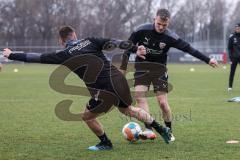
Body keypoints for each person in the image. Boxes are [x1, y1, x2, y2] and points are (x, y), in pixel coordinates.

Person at [3, 26, 172, 151]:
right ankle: (161, 128)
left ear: (61, 41)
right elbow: (115, 42)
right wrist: (136, 48)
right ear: (75, 34)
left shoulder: (63, 54)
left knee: (87, 116)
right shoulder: (90, 40)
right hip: (119, 80)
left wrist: (12, 55)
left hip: (103, 90)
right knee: (128, 109)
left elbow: (36, 57)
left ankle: (105, 143)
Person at [120, 9, 218, 141]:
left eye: (164, 25)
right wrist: (123, 68)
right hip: (142, 68)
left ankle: (169, 131)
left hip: (159, 70)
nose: (161, 27)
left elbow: (189, 49)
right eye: (159, 23)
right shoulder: (141, 30)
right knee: (140, 97)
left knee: (162, 103)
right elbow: (127, 47)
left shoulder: (171, 37)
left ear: (168, 23)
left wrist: (208, 59)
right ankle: (149, 129)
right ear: (154, 19)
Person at [228, 23, 240, 91]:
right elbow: (229, 48)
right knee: (232, 72)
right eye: (236, 28)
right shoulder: (232, 36)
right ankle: (230, 87)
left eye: (238, 28)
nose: (237, 29)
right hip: (234, 58)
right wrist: (231, 57)